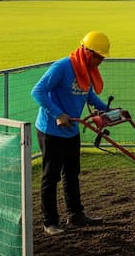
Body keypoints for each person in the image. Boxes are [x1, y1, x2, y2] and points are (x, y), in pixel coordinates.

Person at [31, 31, 111, 235]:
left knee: (72, 174)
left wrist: (107, 110)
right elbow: (37, 92)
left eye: (103, 58)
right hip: (51, 130)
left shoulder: (87, 69)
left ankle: (76, 215)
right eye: (98, 57)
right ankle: (50, 222)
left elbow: (87, 93)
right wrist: (58, 113)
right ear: (86, 51)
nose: (100, 61)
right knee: (51, 177)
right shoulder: (62, 67)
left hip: (71, 130)